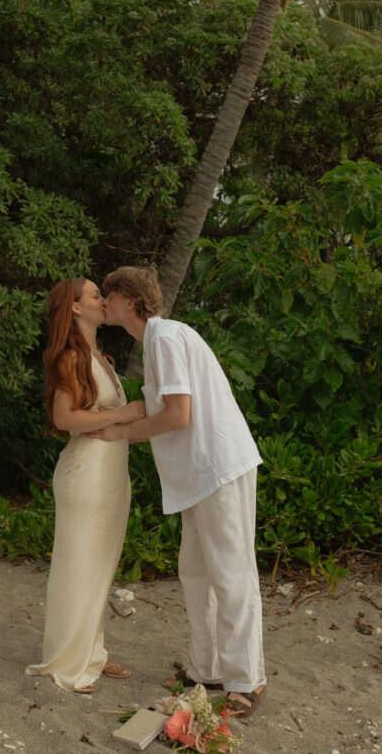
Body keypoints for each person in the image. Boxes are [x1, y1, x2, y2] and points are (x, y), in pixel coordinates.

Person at [90, 265, 265, 718]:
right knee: (195, 572)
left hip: (218, 468)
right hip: (200, 474)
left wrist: (123, 436)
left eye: (107, 295)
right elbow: (163, 411)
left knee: (230, 574)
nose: (103, 303)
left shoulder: (164, 339)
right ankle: (206, 670)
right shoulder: (159, 340)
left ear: (128, 300)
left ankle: (247, 680)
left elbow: (177, 415)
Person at [26, 278, 145, 693]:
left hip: (111, 476)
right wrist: (123, 413)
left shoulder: (100, 356)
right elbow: (66, 419)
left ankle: (92, 652)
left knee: (99, 568)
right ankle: (68, 662)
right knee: (79, 566)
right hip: (87, 475)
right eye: (95, 294)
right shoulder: (71, 356)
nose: (102, 300)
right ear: (75, 308)